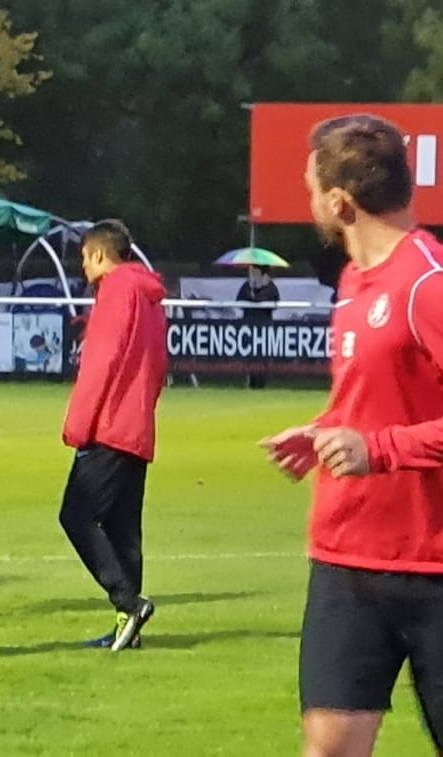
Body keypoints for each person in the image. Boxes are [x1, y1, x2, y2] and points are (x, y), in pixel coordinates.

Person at [260, 113, 443, 757]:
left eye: (311, 188)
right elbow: (382, 397)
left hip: (432, 564)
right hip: (346, 558)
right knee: (330, 749)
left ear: (340, 203)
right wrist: (328, 431)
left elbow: (386, 439)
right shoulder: (352, 280)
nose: (308, 201)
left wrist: (380, 450)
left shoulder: (428, 283)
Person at [59, 219, 167, 652]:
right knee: (124, 529)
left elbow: (100, 363)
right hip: (137, 426)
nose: (83, 267)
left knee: (76, 516)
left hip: (109, 426)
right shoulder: (149, 297)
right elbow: (158, 365)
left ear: (100, 254)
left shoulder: (116, 291)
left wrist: (78, 426)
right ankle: (128, 625)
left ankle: (128, 602)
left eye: (85, 257)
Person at [237, 265, 281, 389]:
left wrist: (260, 291)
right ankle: (250, 382)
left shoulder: (270, 286)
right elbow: (239, 301)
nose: (251, 274)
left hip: (264, 327)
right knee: (250, 357)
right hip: (249, 327)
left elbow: (274, 302)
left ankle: (262, 383)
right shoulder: (247, 286)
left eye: (254, 271)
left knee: (263, 357)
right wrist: (250, 292)